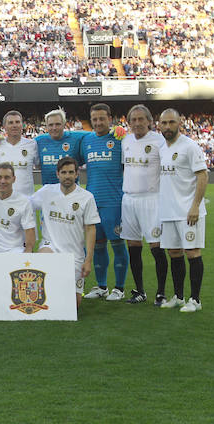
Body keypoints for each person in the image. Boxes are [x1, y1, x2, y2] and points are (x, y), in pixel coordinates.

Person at [157, 108, 208, 313]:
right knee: (174, 253)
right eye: (164, 123)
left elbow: (202, 176)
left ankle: (195, 300)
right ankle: (178, 296)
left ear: (180, 123)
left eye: (171, 122)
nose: (167, 127)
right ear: (159, 125)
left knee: (192, 253)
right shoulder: (162, 148)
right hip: (168, 210)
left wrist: (195, 205)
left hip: (188, 211)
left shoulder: (190, 146)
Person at [31, 157, 99, 307]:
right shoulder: (47, 191)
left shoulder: (87, 197)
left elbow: (90, 229)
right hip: (50, 246)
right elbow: (24, 206)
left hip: (74, 255)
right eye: (63, 172)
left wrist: (88, 260)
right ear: (57, 174)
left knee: (74, 305)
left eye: (70, 172)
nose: (67, 176)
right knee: (44, 258)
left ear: (76, 174)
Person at [120, 104, 168, 305]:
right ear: (129, 123)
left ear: (149, 121)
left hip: (152, 199)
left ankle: (161, 292)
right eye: (133, 120)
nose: (137, 123)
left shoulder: (160, 141)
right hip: (129, 199)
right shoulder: (126, 140)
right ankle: (140, 291)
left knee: (156, 247)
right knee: (133, 246)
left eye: (141, 119)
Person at [82, 103, 128, 301]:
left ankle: (119, 288)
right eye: (95, 119)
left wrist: (124, 131)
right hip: (92, 202)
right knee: (97, 245)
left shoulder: (120, 139)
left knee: (117, 243)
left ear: (110, 118)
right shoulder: (86, 140)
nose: (98, 122)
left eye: (102, 118)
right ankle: (102, 287)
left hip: (114, 201)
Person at [0, 110, 37, 197]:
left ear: (22, 125)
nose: (14, 125)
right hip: (2, 201)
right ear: (4, 127)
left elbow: (39, 164)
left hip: (26, 201)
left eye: (17, 122)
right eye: (10, 123)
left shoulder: (32, 144)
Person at [35, 108, 86, 186]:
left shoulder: (76, 138)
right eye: (51, 125)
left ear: (64, 124)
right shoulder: (38, 141)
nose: (54, 128)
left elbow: (95, 135)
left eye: (58, 124)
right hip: (49, 194)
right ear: (46, 126)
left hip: (71, 193)